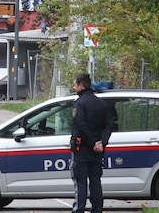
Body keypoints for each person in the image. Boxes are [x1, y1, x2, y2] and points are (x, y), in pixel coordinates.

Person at [70, 73, 113, 213]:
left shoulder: (80, 103)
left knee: (80, 182)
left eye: (75, 84)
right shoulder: (101, 103)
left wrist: (93, 142)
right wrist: (102, 142)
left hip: (82, 149)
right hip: (97, 151)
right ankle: (97, 209)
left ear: (81, 85)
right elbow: (109, 125)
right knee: (95, 181)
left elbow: (81, 125)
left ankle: (79, 210)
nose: (74, 87)